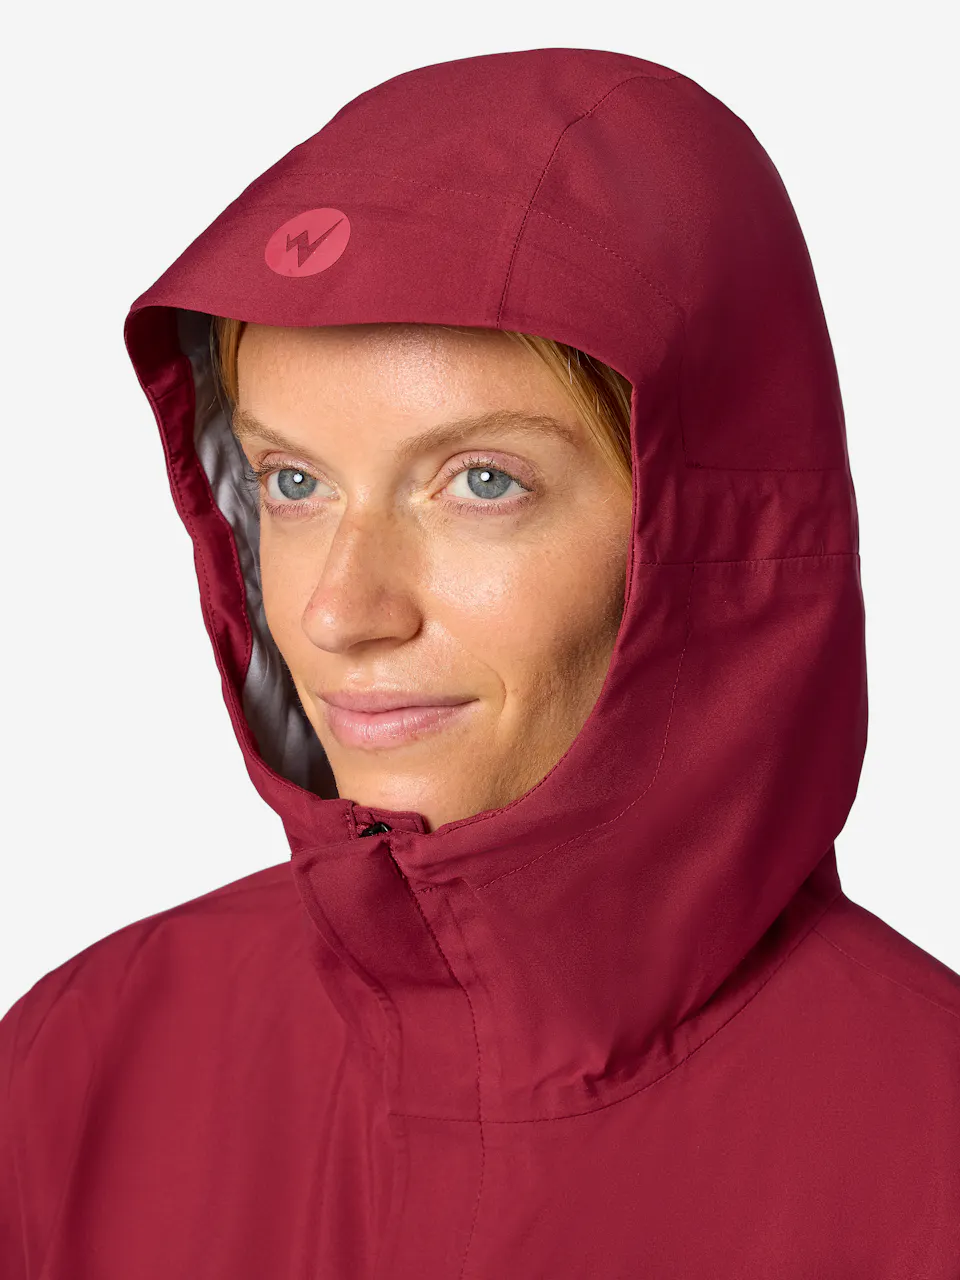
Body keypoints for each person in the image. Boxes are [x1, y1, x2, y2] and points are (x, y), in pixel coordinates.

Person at [1, 45, 957, 1278]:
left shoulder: (927, 1159)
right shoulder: (80, 1073)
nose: (341, 610)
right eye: (293, 483)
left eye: (482, 482)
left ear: (716, 544)